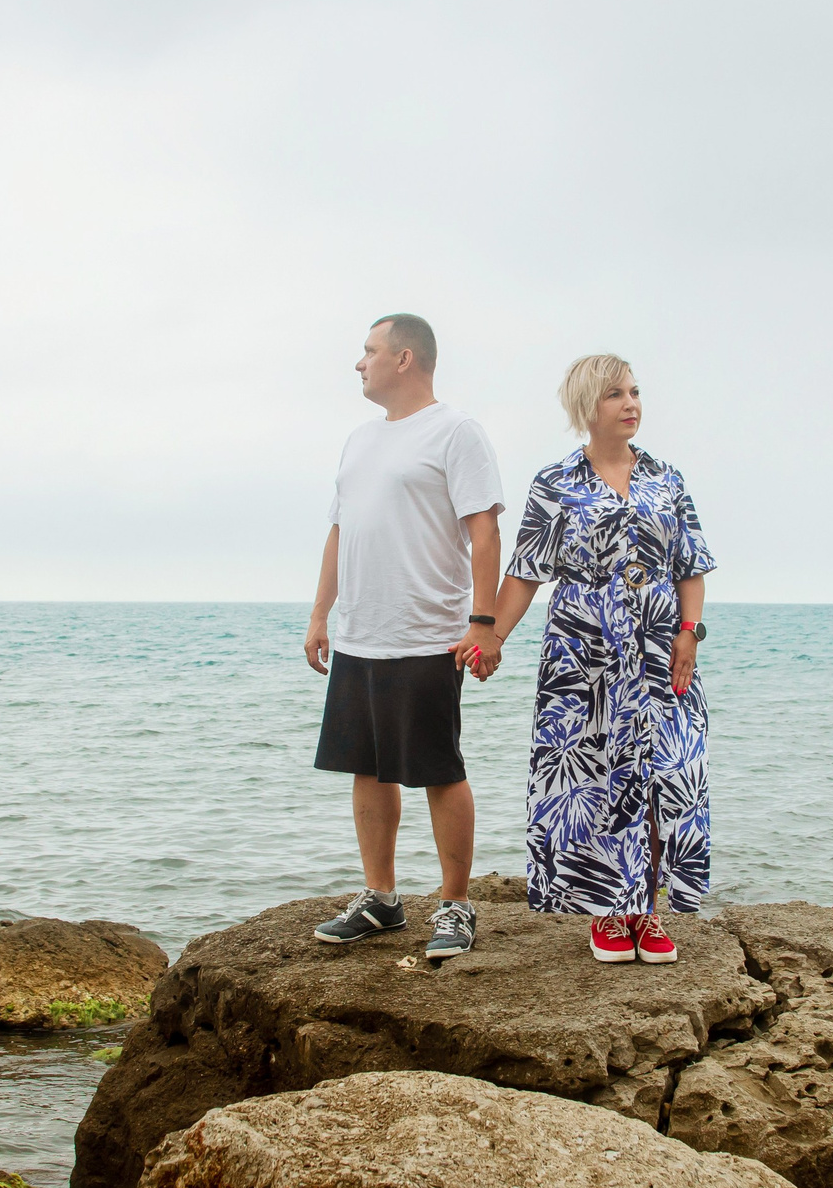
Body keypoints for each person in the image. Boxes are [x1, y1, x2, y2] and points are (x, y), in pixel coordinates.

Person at [472, 355, 715, 963]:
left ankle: (650, 910)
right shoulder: (554, 485)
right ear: (587, 407)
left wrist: (690, 632)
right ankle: (609, 908)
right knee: (590, 776)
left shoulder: (668, 479)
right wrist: (491, 637)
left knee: (667, 774)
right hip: (583, 648)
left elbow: (691, 565)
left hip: (661, 645)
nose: (630, 403)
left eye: (634, 392)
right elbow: (525, 574)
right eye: (615, 395)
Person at [304, 313, 505, 961]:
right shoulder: (358, 440)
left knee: (437, 770)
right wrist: (318, 615)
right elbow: (340, 531)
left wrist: (483, 621)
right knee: (367, 766)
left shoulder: (456, 431)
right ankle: (382, 898)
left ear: (405, 358)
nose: (358, 363)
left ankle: (455, 903)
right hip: (361, 632)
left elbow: (484, 531)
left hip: (428, 633)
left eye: (369, 351)